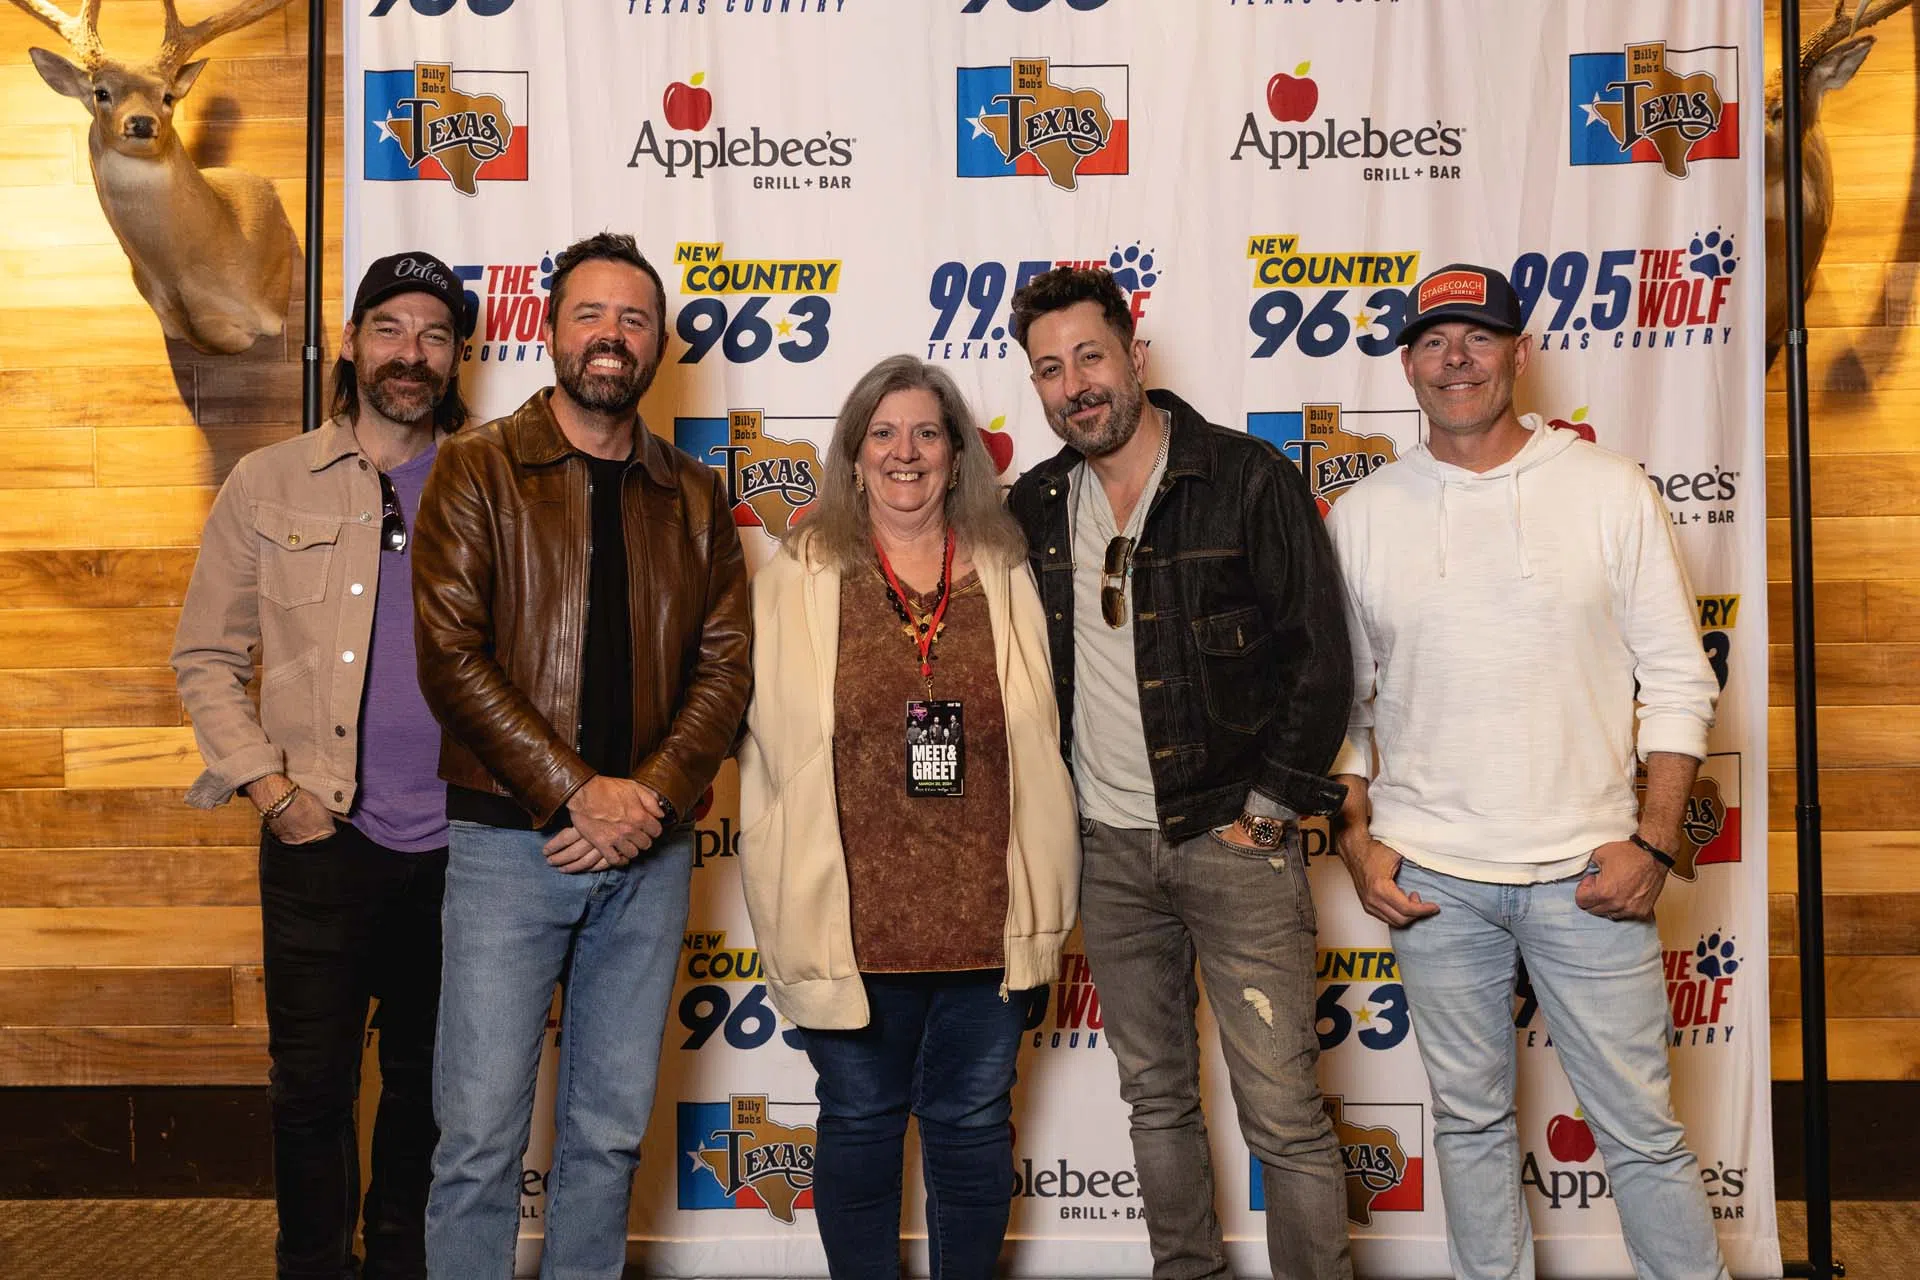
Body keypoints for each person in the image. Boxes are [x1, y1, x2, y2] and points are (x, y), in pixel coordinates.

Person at [1328, 262, 1729, 1280]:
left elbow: (1678, 680)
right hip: (1434, 879)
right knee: (1467, 1126)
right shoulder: (1363, 513)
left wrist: (1654, 842)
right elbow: (1344, 708)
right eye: (1433, 341)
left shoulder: (1609, 488)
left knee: (1641, 1132)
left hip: (1588, 873)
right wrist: (1360, 845)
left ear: (1518, 352)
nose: (1455, 359)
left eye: (1478, 336)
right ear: (1407, 364)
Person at [411, 231, 751, 1280]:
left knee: (606, 1137)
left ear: (658, 346)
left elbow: (725, 670)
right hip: (508, 849)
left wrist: (645, 799)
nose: (612, 334)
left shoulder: (695, 494)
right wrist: (573, 795)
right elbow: (449, 657)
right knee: (478, 1139)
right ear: (551, 330)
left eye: (634, 318)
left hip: (649, 852)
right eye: (590, 314)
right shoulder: (476, 467)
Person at [1004, 268, 1355, 1280]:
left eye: (1090, 356)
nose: (1075, 385)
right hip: (1107, 854)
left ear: (1135, 355)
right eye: (1049, 369)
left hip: (1233, 841)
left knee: (1283, 1109)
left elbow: (1321, 658)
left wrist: (1268, 811)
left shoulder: (1245, 478)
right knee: (1155, 1098)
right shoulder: (1036, 504)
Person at [737, 355, 1080, 1280]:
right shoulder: (797, 575)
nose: (906, 451)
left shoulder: (1008, 567)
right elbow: (751, 733)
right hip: (850, 918)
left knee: (973, 1128)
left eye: (928, 432)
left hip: (988, 915)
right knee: (858, 1124)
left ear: (958, 455)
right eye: (883, 433)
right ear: (852, 459)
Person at [172, 250, 472, 1280]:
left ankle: (401, 1264)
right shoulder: (267, 481)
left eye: (434, 334)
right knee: (309, 1091)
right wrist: (273, 791)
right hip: (319, 838)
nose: (410, 352)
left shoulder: (487, 486)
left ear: (455, 357)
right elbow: (205, 655)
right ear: (351, 342)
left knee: (431, 1093)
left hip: (463, 849)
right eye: (389, 327)